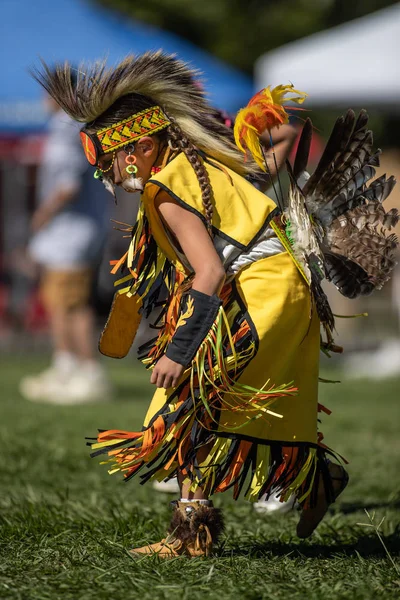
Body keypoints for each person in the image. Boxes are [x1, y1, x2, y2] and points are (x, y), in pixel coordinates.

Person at [32, 51, 397, 557]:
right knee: (226, 407)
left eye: (109, 165)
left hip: (259, 291)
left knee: (188, 403)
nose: (109, 179)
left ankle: (190, 536)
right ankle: (317, 480)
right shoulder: (199, 163)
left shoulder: (164, 189)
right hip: (283, 288)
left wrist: (180, 349)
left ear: (139, 146)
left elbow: (209, 270)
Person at [20, 84, 112, 405]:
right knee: (60, 300)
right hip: (72, 232)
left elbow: (67, 186)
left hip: (71, 232)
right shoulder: (75, 127)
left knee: (72, 302)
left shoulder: (67, 129)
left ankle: (87, 371)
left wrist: (41, 216)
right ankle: (66, 365)